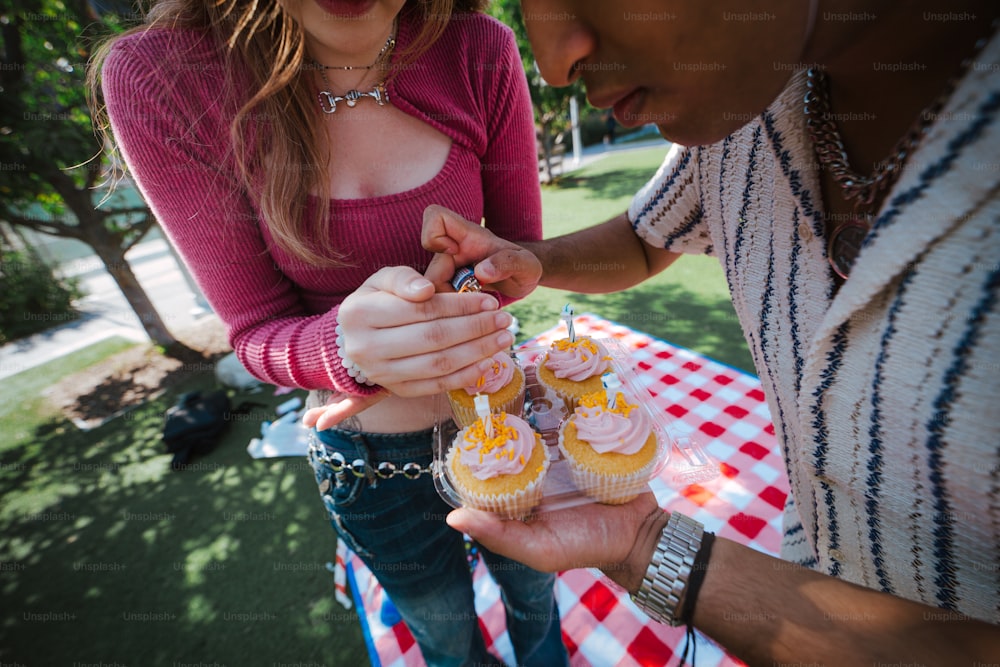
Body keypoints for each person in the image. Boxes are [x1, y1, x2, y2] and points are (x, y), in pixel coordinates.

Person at [394, 0, 994, 664]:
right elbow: (647, 236)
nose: (555, 60)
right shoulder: (742, 111)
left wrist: (652, 546)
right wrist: (534, 258)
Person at [90, 1, 568, 665]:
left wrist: (484, 269)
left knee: (537, 606)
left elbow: (522, 251)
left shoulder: (480, 46)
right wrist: (341, 350)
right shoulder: (163, 76)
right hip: (368, 468)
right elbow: (254, 332)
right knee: (449, 642)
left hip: (502, 418)